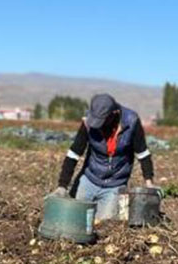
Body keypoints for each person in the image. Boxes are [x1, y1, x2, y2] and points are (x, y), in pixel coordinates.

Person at [52, 93, 155, 221]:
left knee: (105, 224)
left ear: (114, 114)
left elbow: (143, 153)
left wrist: (149, 183)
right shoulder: (88, 122)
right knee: (76, 220)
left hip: (115, 185)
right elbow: (74, 153)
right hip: (89, 180)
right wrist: (62, 186)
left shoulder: (132, 121)